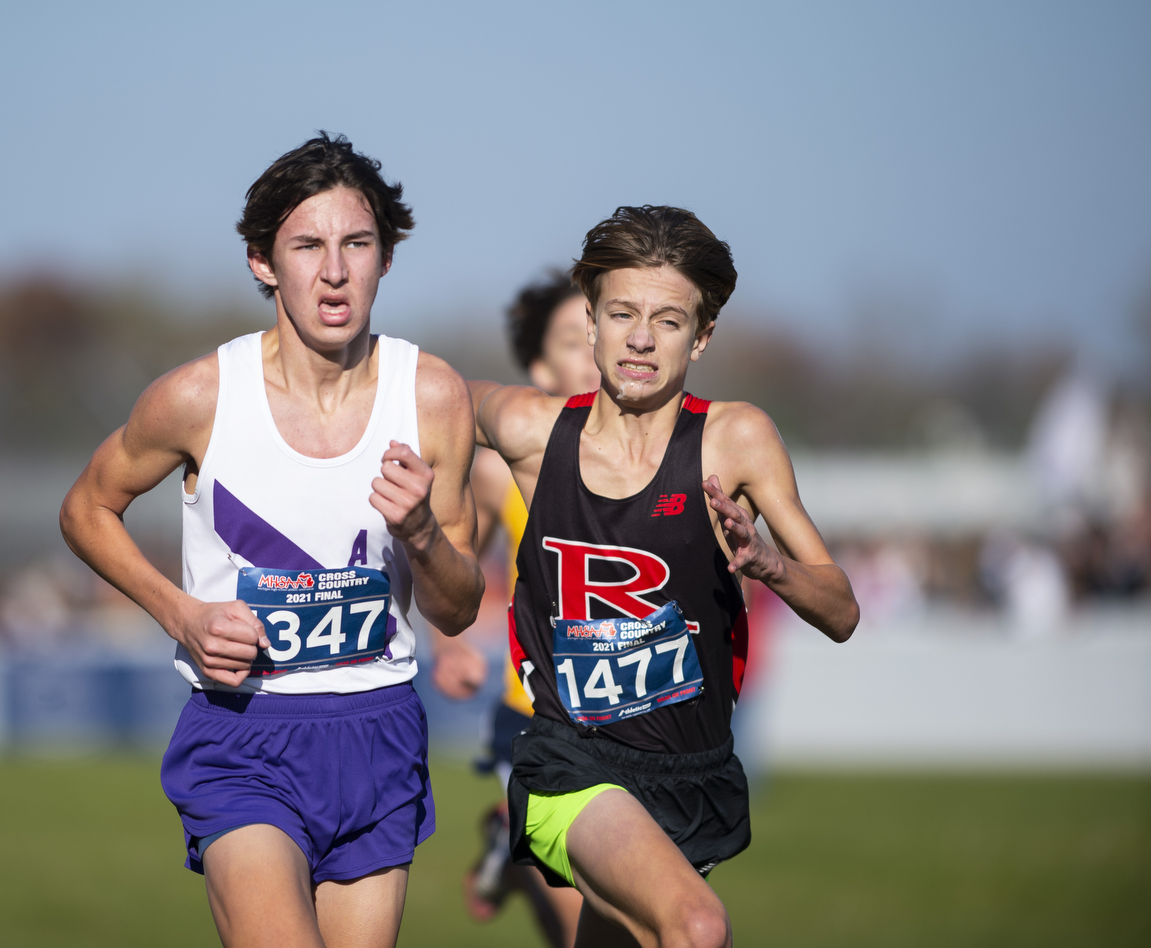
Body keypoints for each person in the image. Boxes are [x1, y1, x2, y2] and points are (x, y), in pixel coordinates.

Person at [59, 133, 483, 948]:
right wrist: (179, 614)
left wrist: (423, 533)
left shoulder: (431, 397)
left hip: (378, 731)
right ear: (262, 262)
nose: (334, 271)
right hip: (243, 732)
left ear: (385, 260)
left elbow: (459, 609)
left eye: (357, 244)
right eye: (307, 246)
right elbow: (84, 510)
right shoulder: (197, 397)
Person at [471, 205, 859, 948]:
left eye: (669, 320)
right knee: (695, 927)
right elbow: (424, 398)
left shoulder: (735, 439)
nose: (641, 339)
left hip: (692, 774)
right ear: (590, 322)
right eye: (621, 314)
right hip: (570, 764)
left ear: (703, 335)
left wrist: (772, 566)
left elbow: (841, 609)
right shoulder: (530, 430)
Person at [430, 272, 600, 948]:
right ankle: (515, 827)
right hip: (536, 718)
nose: (595, 350)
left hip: (635, 721)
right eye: (572, 340)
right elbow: (455, 565)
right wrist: (450, 644)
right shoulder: (501, 468)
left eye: (601, 332)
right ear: (538, 368)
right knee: (582, 926)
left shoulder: (665, 458)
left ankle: (507, 836)